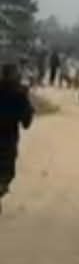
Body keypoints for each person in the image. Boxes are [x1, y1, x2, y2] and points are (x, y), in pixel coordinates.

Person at [0, 63, 35, 214]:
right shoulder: (19, 94)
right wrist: (29, 109)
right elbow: (26, 123)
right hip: (8, 140)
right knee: (6, 174)